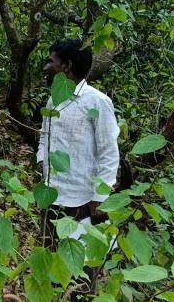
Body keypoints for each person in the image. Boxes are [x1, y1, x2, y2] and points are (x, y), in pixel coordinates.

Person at [37, 39, 119, 245]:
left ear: (67, 66)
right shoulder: (53, 100)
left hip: (83, 200)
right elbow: (45, 135)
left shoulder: (97, 102)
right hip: (51, 195)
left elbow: (108, 151)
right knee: (50, 255)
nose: (45, 68)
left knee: (80, 260)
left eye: (50, 62)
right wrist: (41, 162)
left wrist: (100, 198)